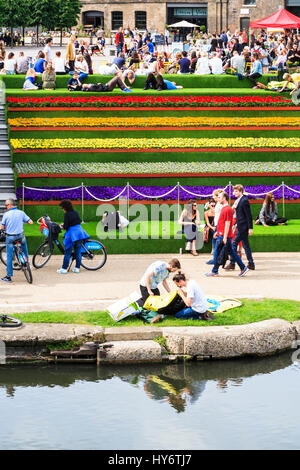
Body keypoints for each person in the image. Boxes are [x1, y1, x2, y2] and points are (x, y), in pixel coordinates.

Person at [205, 191, 248, 277]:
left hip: (224, 236)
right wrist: (218, 232)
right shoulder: (225, 208)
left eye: (220, 197)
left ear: (224, 198)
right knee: (231, 253)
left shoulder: (227, 209)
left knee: (217, 252)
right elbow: (222, 223)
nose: (218, 199)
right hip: (222, 234)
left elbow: (228, 223)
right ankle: (242, 267)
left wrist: (224, 236)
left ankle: (215, 270)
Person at [1, 199, 33, 283]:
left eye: (6, 205)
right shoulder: (21, 213)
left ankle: (9, 276)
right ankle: (27, 263)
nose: (6, 207)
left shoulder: (6, 214)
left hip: (10, 238)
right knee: (24, 248)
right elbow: (30, 222)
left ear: (10, 205)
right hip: (20, 236)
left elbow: (2, 227)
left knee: (9, 257)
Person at [224, 184, 255, 271]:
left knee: (233, 244)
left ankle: (232, 263)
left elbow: (248, 215)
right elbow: (239, 215)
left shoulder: (244, 201)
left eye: (236, 191)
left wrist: (250, 228)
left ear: (241, 191)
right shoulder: (239, 200)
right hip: (240, 225)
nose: (234, 193)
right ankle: (251, 263)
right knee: (246, 245)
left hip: (243, 227)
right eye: (234, 191)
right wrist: (235, 224)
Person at [57, 199, 89, 274]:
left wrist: (62, 225)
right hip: (80, 233)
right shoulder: (75, 212)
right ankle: (77, 268)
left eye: (62, 208)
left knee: (67, 252)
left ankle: (64, 269)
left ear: (65, 208)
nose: (62, 210)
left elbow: (66, 227)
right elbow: (78, 221)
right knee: (78, 252)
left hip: (72, 234)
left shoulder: (67, 215)